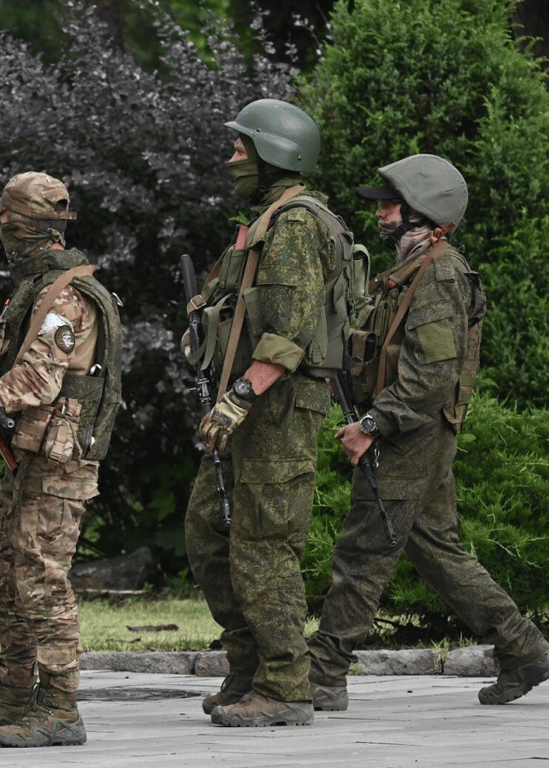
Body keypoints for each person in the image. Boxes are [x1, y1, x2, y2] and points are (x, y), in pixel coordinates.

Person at [308, 154, 549, 710]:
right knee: (435, 549)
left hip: (408, 433)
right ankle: (523, 648)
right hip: (411, 429)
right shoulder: (410, 269)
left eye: (390, 204)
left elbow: (431, 377)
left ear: (424, 211)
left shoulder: (439, 273)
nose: (380, 213)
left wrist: (372, 423)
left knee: (365, 549)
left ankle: (323, 673)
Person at [0, 172, 121, 748]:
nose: (0, 233)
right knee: (1, 581)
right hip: (33, 460)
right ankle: (14, 696)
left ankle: (61, 706)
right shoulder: (39, 288)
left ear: (16, 227)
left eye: (3, 222)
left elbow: (39, 381)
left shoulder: (65, 295)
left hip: (61, 464)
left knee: (40, 580)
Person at [183, 98, 339, 728]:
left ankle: (285, 686)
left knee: (264, 544)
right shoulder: (266, 223)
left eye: (242, 148)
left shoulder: (298, 223)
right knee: (208, 534)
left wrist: (240, 395)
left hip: (273, 409)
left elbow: (291, 334)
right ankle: (248, 667)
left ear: (275, 153)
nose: (232, 159)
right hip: (246, 411)